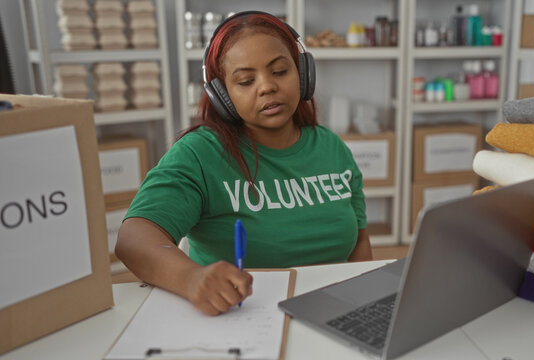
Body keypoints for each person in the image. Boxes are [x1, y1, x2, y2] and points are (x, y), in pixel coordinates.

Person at [115, 11, 372, 316]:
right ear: (222, 94)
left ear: (303, 73)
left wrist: (363, 305)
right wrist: (191, 278)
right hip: (244, 318)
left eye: (279, 71)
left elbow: (360, 242)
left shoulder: (333, 148)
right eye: (246, 80)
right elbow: (133, 238)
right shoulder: (200, 153)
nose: (266, 87)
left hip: (333, 315)